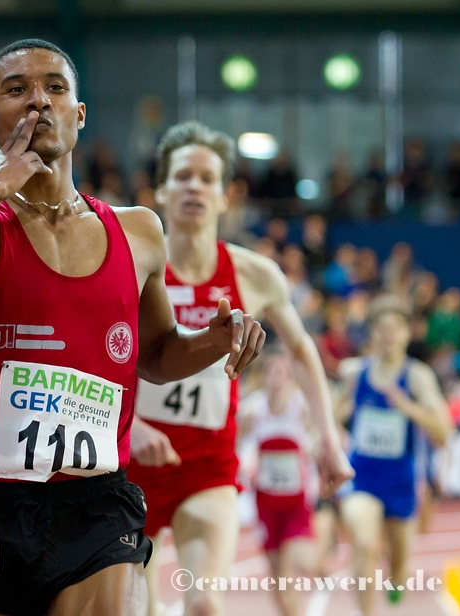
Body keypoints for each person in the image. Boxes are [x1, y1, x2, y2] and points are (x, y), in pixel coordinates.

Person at [0, 40, 265, 616]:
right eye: (17, 90)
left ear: (80, 113)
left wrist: (215, 342)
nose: (38, 101)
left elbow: (157, 355)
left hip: (98, 506)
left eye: (55, 87)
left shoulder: (139, 233)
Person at [126, 121, 353, 616]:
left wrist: (330, 439)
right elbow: (96, 351)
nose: (194, 187)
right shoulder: (131, 265)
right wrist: (132, 423)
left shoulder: (253, 273)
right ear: (161, 189)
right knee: (134, 608)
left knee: (205, 604)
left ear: (227, 196)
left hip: (208, 464)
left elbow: (301, 351)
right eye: (183, 175)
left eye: (207, 178)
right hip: (130, 466)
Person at [336, 296, 454, 616]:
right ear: (372, 333)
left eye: (395, 329)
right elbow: (330, 419)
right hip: (363, 476)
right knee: (364, 544)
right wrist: (337, 418)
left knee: (399, 564)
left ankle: (398, 582)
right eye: (382, 329)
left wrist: (409, 407)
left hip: (401, 481)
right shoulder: (354, 374)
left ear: (406, 334)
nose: (388, 336)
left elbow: (444, 433)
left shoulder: (417, 377)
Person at [237, 350, 318, 616]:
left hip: (297, 502)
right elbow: (236, 443)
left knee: (289, 568)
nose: (277, 379)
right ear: (264, 377)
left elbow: (320, 439)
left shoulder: (301, 407)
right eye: (272, 372)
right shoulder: (253, 410)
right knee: (276, 577)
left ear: (291, 378)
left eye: (283, 373)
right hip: (267, 502)